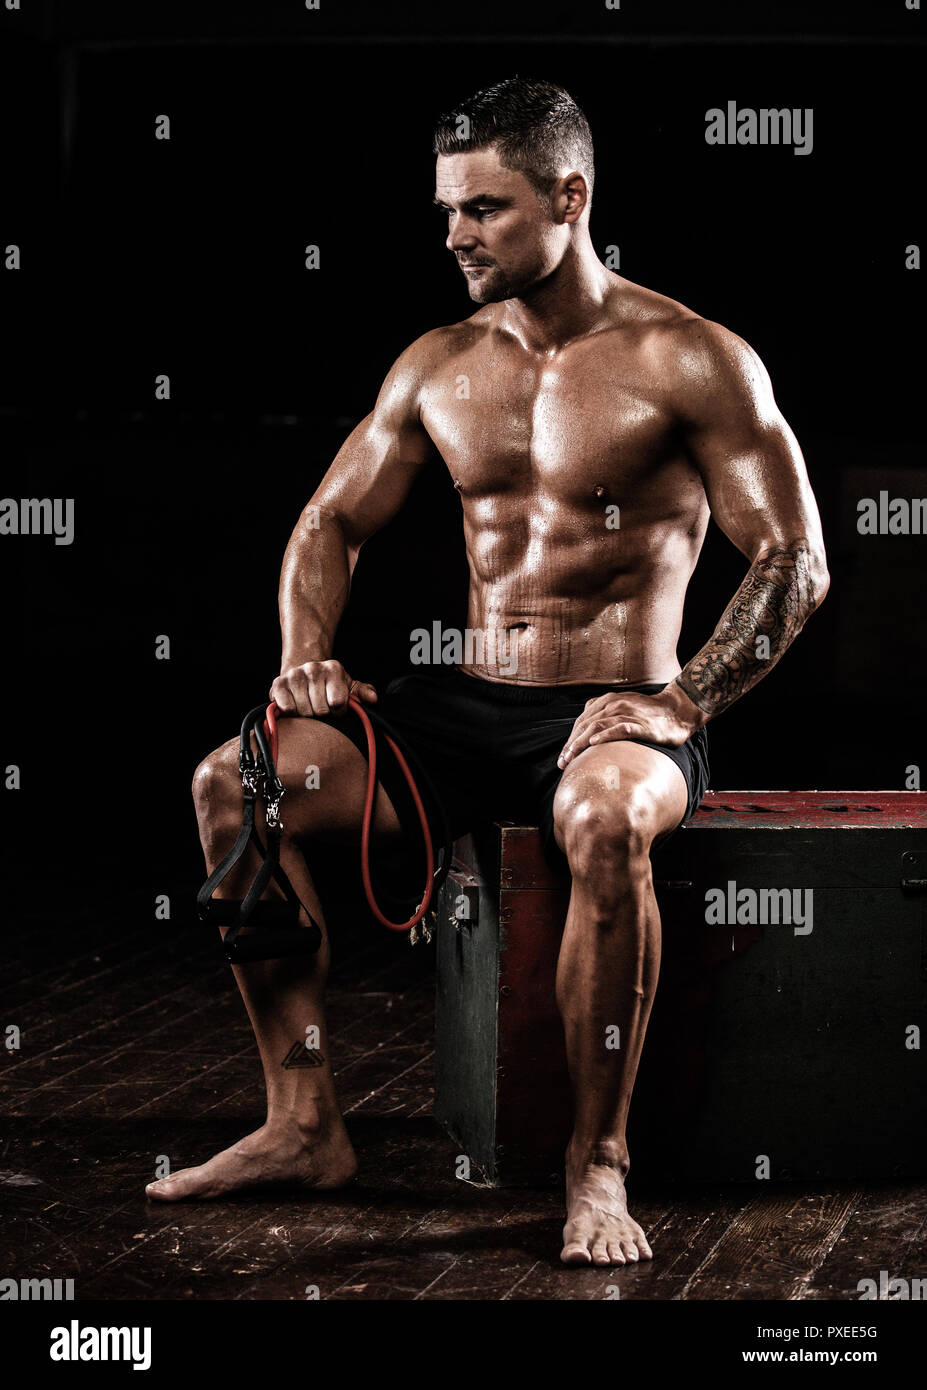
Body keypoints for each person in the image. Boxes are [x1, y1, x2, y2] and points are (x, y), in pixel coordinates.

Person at [147, 77, 829, 1268]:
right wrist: (305, 657)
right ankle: (303, 1121)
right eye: (448, 209)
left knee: (605, 813)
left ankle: (597, 1161)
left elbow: (794, 558)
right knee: (236, 785)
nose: (456, 234)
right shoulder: (436, 364)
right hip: (464, 707)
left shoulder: (691, 358)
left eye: (485, 208)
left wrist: (684, 701)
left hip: (620, 709)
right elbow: (328, 525)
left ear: (572, 197)